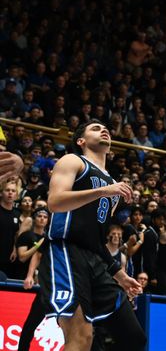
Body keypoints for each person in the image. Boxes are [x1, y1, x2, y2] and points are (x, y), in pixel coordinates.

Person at [39, 119, 146, 350]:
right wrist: (103, 191)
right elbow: (54, 202)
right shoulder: (73, 160)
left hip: (95, 260)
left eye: (105, 128)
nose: (104, 129)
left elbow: (97, 240)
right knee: (81, 338)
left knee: (135, 337)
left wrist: (120, 275)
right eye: (95, 129)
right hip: (66, 252)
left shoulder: (112, 186)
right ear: (81, 140)